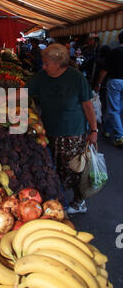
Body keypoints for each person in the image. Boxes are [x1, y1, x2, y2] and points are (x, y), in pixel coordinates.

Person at [28, 43, 98, 214]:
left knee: (74, 169)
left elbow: (88, 106)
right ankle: (58, 202)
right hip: (49, 130)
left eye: (47, 63)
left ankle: (79, 202)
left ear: (59, 62)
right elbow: (24, 92)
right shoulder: (42, 76)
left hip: (72, 132)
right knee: (53, 168)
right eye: (43, 63)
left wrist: (94, 131)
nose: (43, 66)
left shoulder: (76, 78)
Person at [94, 31, 123, 146]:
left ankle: (120, 136)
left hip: (115, 82)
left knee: (114, 109)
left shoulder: (115, 52)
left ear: (119, 39)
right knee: (118, 109)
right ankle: (107, 130)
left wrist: (98, 84)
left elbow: (105, 69)